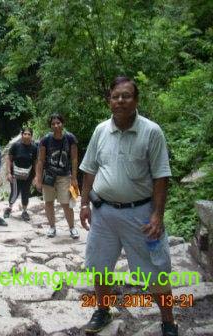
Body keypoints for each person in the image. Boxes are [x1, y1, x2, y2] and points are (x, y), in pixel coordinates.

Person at [79, 76, 177, 335]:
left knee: (156, 272)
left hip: (141, 215)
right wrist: (83, 204)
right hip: (103, 214)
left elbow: (161, 175)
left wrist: (157, 214)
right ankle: (103, 310)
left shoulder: (151, 131)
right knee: (100, 266)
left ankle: (168, 322)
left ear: (136, 100)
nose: (120, 101)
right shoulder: (101, 130)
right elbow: (89, 170)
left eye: (126, 96)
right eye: (115, 96)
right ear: (109, 100)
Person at [34, 114, 80, 239]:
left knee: (66, 203)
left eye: (58, 123)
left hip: (64, 176)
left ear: (62, 123)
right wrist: (38, 179)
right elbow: (40, 160)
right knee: (48, 202)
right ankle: (52, 227)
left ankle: (72, 227)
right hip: (48, 175)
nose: (56, 126)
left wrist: (74, 178)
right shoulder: (46, 140)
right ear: (50, 125)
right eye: (53, 124)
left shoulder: (70, 138)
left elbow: (74, 159)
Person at [4, 127, 37, 221]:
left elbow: (36, 162)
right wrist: (8, 173)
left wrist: (36, 176)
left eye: (29, 134)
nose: (26, 136)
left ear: (31, 136)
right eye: (25, 134)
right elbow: (9, 159)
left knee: (26, 192)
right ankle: (9, 208)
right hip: (15, 175)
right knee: (15, 192)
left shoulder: (34, 148)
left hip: (28, 175)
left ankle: (24, 211)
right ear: (22, 135)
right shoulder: (16, 146)